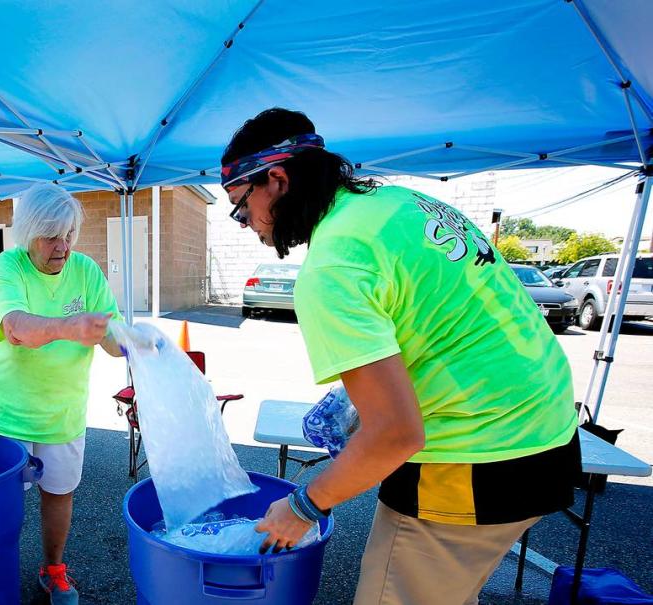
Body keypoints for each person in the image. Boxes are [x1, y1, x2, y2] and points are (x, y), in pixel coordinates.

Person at [222, 108, 580, 605]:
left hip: (473, 457)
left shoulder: (334, 265)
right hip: (551, 437)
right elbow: (442, 321)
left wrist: (302, 506)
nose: (246, 225)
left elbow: (395, 433)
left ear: (277, 180)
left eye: (241, 208)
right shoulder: (402, 203)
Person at [0, 183, 123, 605]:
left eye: (69, 234)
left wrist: (137, 344)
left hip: (62, 411)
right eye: (51, 236)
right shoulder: (8, 266)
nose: (63, 246)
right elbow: (16, 327)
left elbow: (111, 333)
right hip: (4, 413)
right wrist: (71, 327)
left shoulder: (86, 270)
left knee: (59, 494)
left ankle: (52, 570)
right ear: (27, 234)